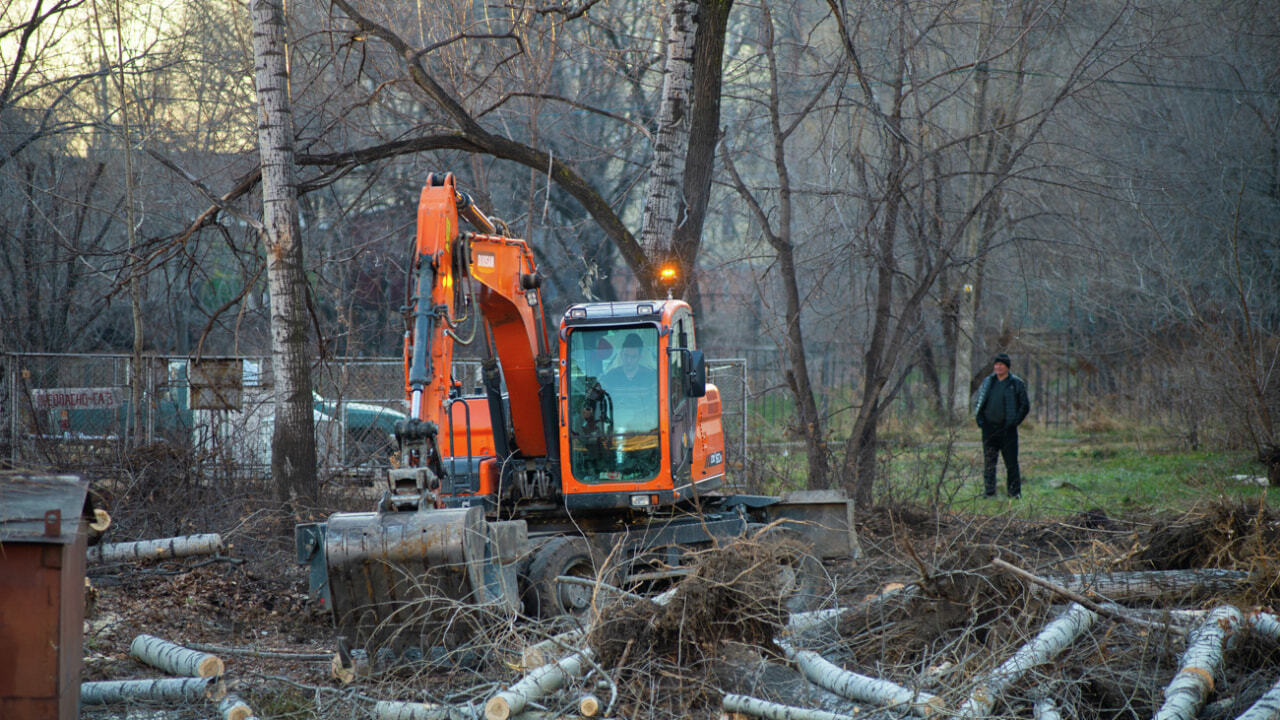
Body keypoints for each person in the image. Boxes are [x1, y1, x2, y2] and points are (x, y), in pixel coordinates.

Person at [973, 352, 1030, 498]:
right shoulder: (988, 381)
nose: (998, 367)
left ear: (1007, 367)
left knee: (1011, 463)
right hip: (989, 429)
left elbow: (1024, 405)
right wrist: (980, 420)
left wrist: (1014, 422)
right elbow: (979, 401)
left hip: (1007, 430)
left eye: (1001, 365)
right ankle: (989, 492)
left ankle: (1014, 492)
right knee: (989, 462)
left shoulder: (1016, 383)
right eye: (996, 364)